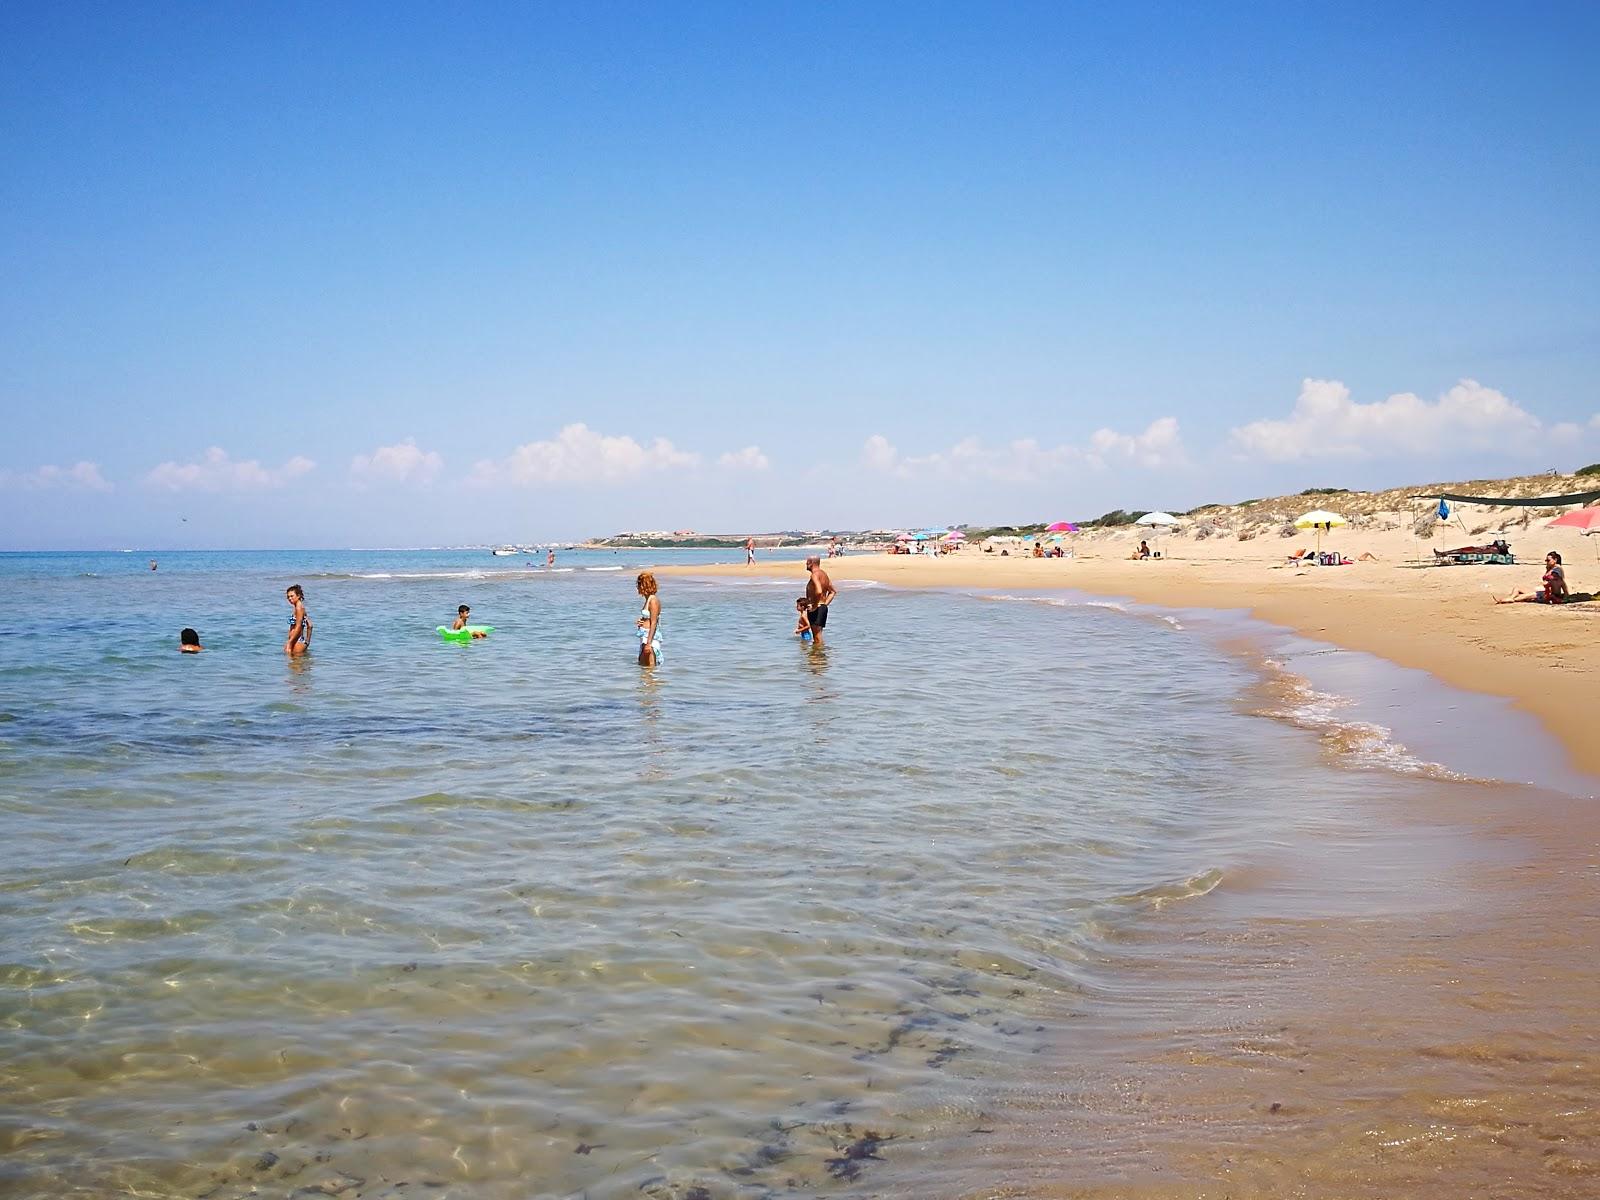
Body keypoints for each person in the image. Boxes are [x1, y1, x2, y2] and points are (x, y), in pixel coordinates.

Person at [1496, 551, 1568, 605]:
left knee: (1524, 596)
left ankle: (1508, 600)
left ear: (1555, 560)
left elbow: (1556, 580)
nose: (1546, 562)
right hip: (1543, 592)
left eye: (1548, 560)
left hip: (1549, 595)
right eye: (1546, 560)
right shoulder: (1551, 568)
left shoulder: (1557, 569)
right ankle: (1511, 598)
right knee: (1517, 588)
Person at [804, 556, 836, 643]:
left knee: (817, 638)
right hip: (821, 607)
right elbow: (833, 592)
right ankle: (819, 655)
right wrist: (824, 604)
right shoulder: (823, 574)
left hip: (817, 608)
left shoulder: (814, 575)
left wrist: (814, 606)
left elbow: (819, 591)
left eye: (807, 562)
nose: (806, 564)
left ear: (811, 563)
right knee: (818, 636)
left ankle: (817, 656)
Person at [636, 572, 662, 665]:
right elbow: (648, 619)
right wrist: (641, 621)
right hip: (644, 636)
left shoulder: (653, 600)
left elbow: (654, 622)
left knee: (649, 669)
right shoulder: (648, 599)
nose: (637, 588)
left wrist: (648, 643)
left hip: (649, 638)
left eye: (638, 585)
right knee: (644, 669)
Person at [284, 584, 312, 656]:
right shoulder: (299, 607)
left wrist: (290, 643)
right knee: (296, 665)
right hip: (297, 641)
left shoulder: (299, 608)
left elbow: (298, 627)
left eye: (292, 596)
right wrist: (307, 642)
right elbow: (310, 625)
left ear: (298, 596)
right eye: (288, 597)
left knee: (295, 666)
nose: (290, 598)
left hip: (296, 642)